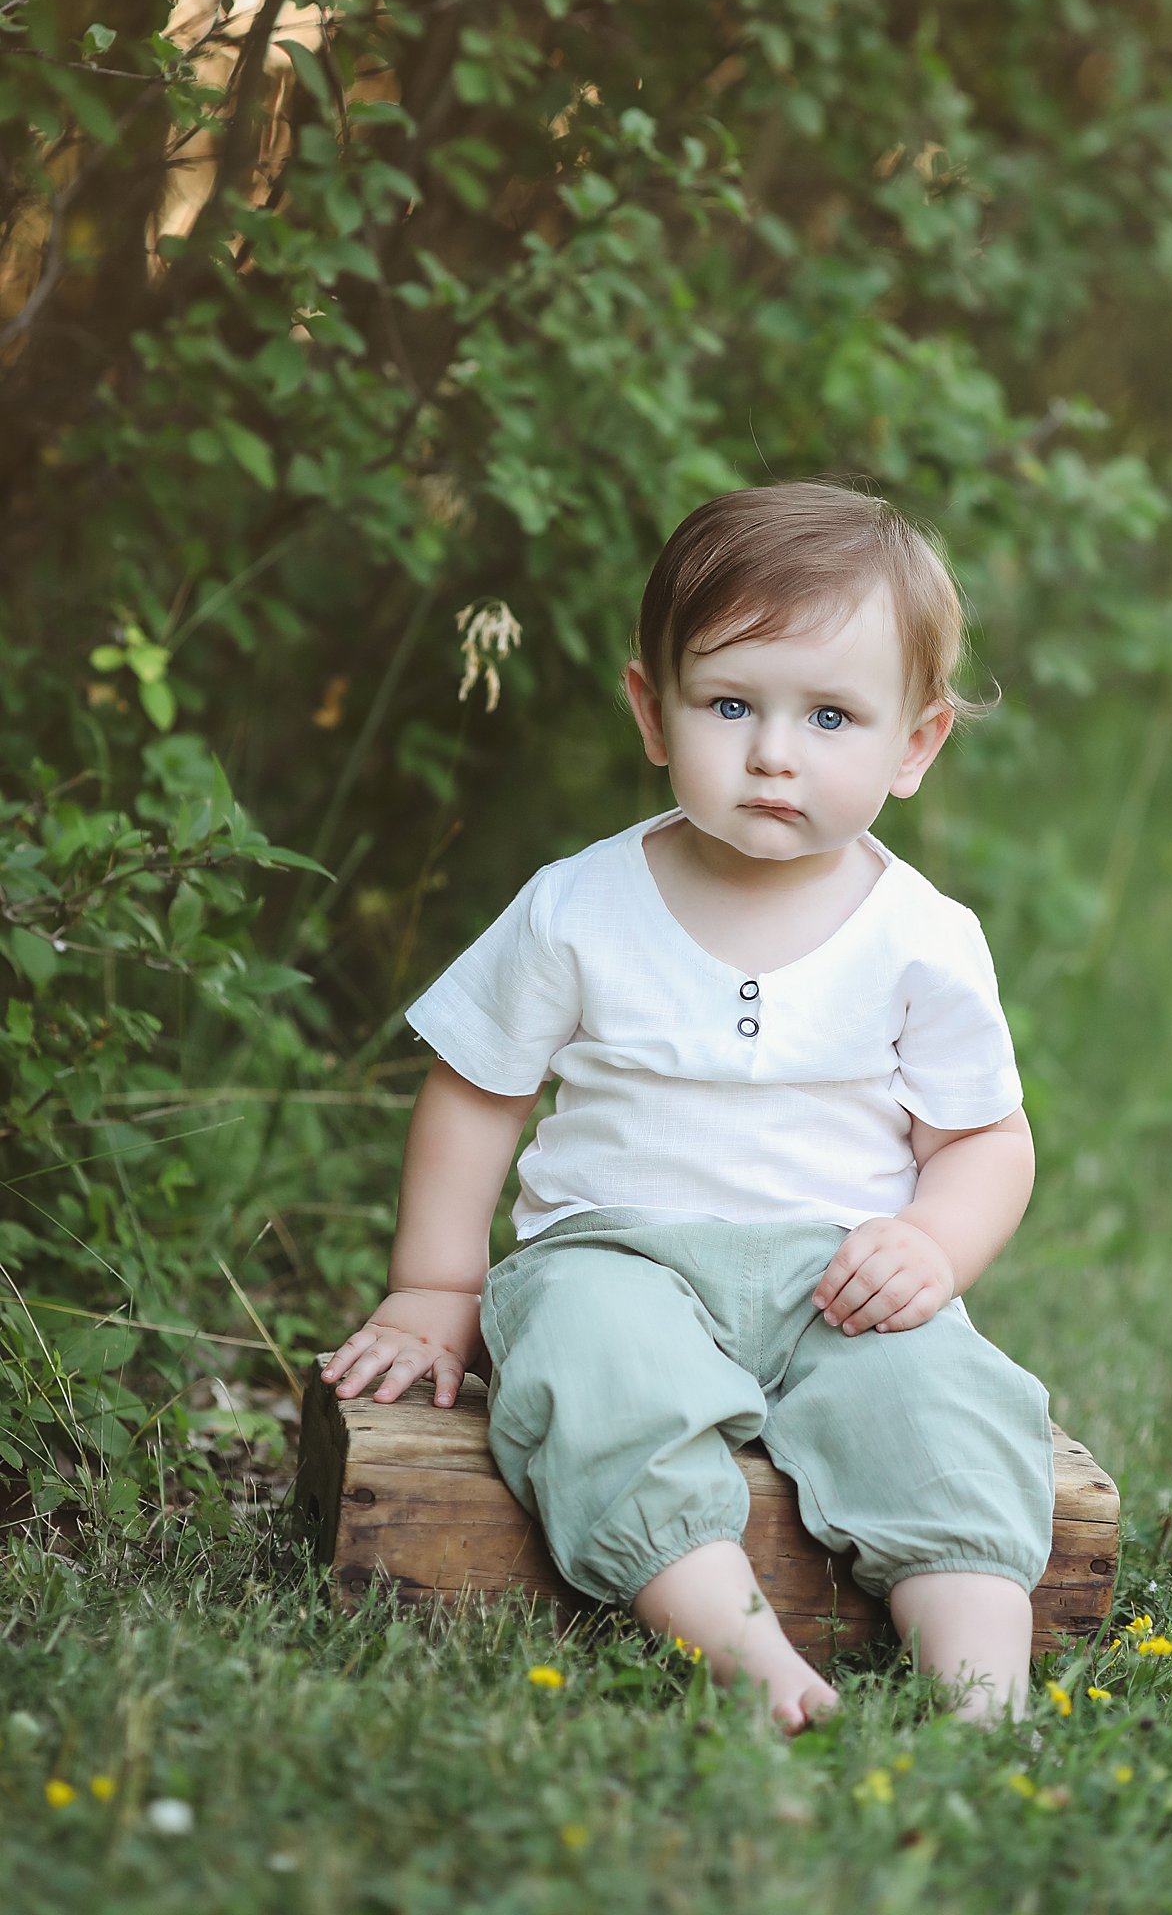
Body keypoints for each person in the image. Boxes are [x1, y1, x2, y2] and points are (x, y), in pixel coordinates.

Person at [322, 480, 1054, 1735]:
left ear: (915, 744)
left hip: (841, 1275)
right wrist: (436, 1286)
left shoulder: (923, 935)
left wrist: (932, 1245)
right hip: (617, 1256)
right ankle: (739, 1646)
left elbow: (983, 1137)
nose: (774, 751)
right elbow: (478, 1092)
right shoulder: (578, 903)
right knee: (594, 1370)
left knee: (944, 1405)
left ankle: (981, 1688)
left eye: (831, 715)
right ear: (651, 711)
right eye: (729, 704)